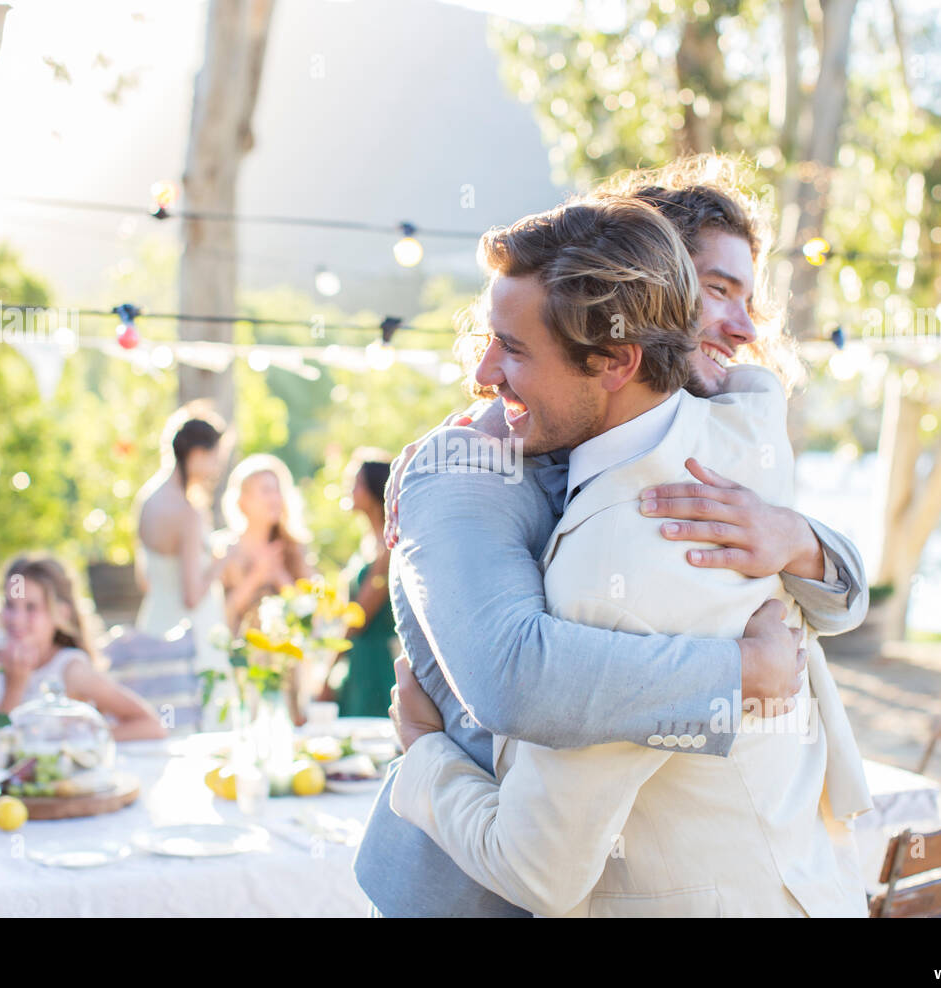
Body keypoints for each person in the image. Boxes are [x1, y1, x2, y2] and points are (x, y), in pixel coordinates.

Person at [354, 158, 869, 917]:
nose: (745, 327)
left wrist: (797, 540)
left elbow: (837, 596)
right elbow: (515, 676)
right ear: (641, 292)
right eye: (717, 290)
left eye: (747, 296)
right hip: (467, 893)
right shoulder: (471, 463)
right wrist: (737, 674)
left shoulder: (721, 435)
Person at [0, 554, 165, 741]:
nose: (16, 619)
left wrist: (80, 742)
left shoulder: (70, 670)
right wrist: (15, 686)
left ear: (61, 613)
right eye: (10, 605)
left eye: (31, 607)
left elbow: (152, 725)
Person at [133, 402, 231, 673]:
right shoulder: (187, 513)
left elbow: (145, 579)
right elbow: (192, 595)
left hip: (153, 624)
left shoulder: (147, 500)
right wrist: (223, 559)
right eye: (215, 459)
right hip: (190, 636)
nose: (216, 469)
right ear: (198, 454)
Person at [328, 452, 397, 717]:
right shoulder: (368, 545)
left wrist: (329, 670)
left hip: (375, 665)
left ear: (373, 489)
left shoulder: (387, 549)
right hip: (358, 660)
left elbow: (358, 618)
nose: (349, 489)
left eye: (356, 482)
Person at [218, 453, 313, 634]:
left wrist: (279, 576)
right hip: (238, 656)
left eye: (277, 490)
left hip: (285, 657)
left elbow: (308, 616)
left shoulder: (294, 547)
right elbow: (220, 616)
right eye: (266, 491)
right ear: (243, 500)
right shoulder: (225, 550)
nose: (275, 498)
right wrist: (257, 576)